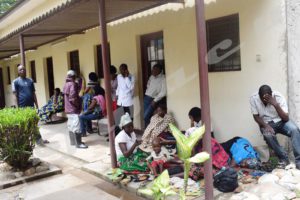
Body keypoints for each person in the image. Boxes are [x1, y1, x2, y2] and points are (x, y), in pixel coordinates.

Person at [250, 85, 300, 169]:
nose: (265, 101)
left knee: (295, 130)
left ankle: (299, 161)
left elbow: (286, 118)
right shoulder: (253, 98)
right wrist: (266, 126)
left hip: (281, 121)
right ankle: (284, 158)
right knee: (268, 135)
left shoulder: (279, 97)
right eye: (263, 99)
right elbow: (256, 116)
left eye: (267, 98)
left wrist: (276, 104)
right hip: (265, 123)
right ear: (259, 96)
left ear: (271, 94)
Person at [63, 70, 87, 149]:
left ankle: (73, 142)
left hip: (68, 109)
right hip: (73, 109)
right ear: (73, 76)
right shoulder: (72, 84)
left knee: (71, 125)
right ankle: (79, 143)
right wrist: (77, 106)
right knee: (77, 126)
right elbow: (73, 98)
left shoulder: (66, 84)